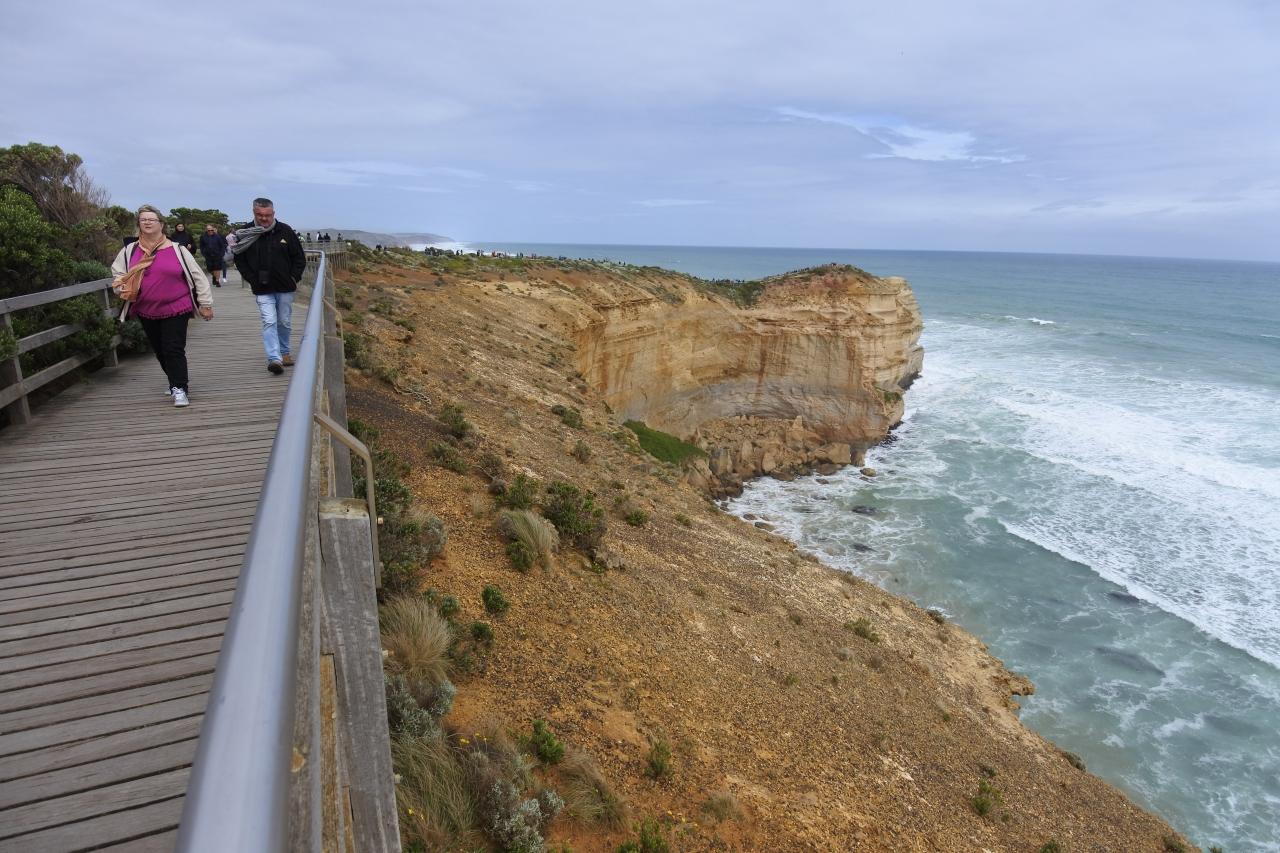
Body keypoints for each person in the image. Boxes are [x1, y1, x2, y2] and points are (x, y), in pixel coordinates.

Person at [110, 205, 214, 407]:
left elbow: (198, 277)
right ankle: (174, 380)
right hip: (146, 308)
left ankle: (180, 388)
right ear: (138, 224)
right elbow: (118, 274)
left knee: (173, 348)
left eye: (152, 219)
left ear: (161, 224)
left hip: (177, 306)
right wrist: (121, 287)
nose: (147, 222)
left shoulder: (177, 249)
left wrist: (206, 303)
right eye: (143, 219)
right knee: (159, 349)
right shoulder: (130, 250)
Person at [231, 197, 305, 374]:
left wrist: (293, 278)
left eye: (267, 215)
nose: (264, 218)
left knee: (284, 321)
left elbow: (299, 257)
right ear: (254, 212)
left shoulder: (285, 230)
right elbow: (239, 259)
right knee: (269, 321)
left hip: (285, 286)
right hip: (262, 287)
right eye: (260, 215)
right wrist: (251, 279)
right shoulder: (246, 232)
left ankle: (284, 352)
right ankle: (274, 358)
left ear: (273, 213)